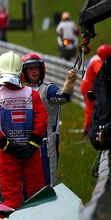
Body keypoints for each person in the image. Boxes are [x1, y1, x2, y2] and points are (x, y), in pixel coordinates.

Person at [0, 51, 48, 209]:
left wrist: (6, 145)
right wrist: (32, 144)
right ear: (21, 71)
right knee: (37, 197)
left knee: (11, 199)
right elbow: (41, 119)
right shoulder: (33, 95)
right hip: (31, 151)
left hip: (8, 153)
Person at [21, 53, 77, 186]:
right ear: (23, 72)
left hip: (46, 144)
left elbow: (63, 96)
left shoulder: (47, 89)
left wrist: (69, 82)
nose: (34, 71)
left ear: (42, 70)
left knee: (47, 183)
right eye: (30, 68)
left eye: (37, 68)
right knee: (26, 182)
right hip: (25, 143)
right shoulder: (20, 91)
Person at [82, 44, 111, 135]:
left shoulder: (96, 58)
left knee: (91, 108)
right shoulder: (97, 62)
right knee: (91, 109)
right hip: (89, 86)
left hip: (87, 84)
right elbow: (101, 72)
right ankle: (87, 131)